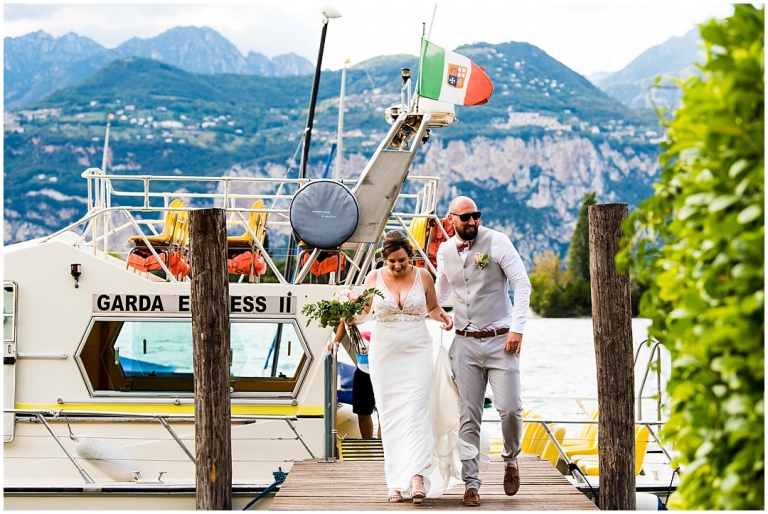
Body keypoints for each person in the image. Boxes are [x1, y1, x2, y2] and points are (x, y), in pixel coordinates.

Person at [434, 196, 532, 507]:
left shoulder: (498, 242)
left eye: (476, 215)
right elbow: (442, 289)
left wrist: (517, 328)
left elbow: (522, 284)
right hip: (463, 343)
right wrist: (434, 311)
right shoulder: (445, 251)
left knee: (510, 409)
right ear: (451, 220)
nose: (473, 222)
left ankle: (511, 460)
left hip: (501, 340)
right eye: (465, 218)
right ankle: (471, 483)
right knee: (468, 416)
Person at [352, 231, 454, 504]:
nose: (397, 266)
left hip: (418, 350)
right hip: (384, 354)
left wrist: (442, 317)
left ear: (411, 257)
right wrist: (350, 316)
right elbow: (363, 313)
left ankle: (417, 476)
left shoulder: (423, 277)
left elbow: (432, 308)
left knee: (417, 411)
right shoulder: (373, 278)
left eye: (402, 261)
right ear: (384, 259)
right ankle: (395, 481)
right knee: (389, 415)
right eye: (391, 262)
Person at [331, 325, 379, 439]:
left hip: (383, 370)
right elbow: (343, 322)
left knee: (384, 413)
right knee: (363, 413)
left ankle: (383, 448)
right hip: (363, 371)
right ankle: (367, 446)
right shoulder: (352, 311)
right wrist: (336, 341)